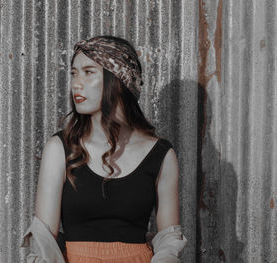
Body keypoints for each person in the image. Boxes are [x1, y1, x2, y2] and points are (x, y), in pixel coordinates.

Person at [21, 35, 187, 263]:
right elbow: (43, 242)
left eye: (88, 72)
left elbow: (169, 239)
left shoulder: (161, 155)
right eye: (73, 73)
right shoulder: (60, 149)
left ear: (119, 80)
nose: (75, 83)